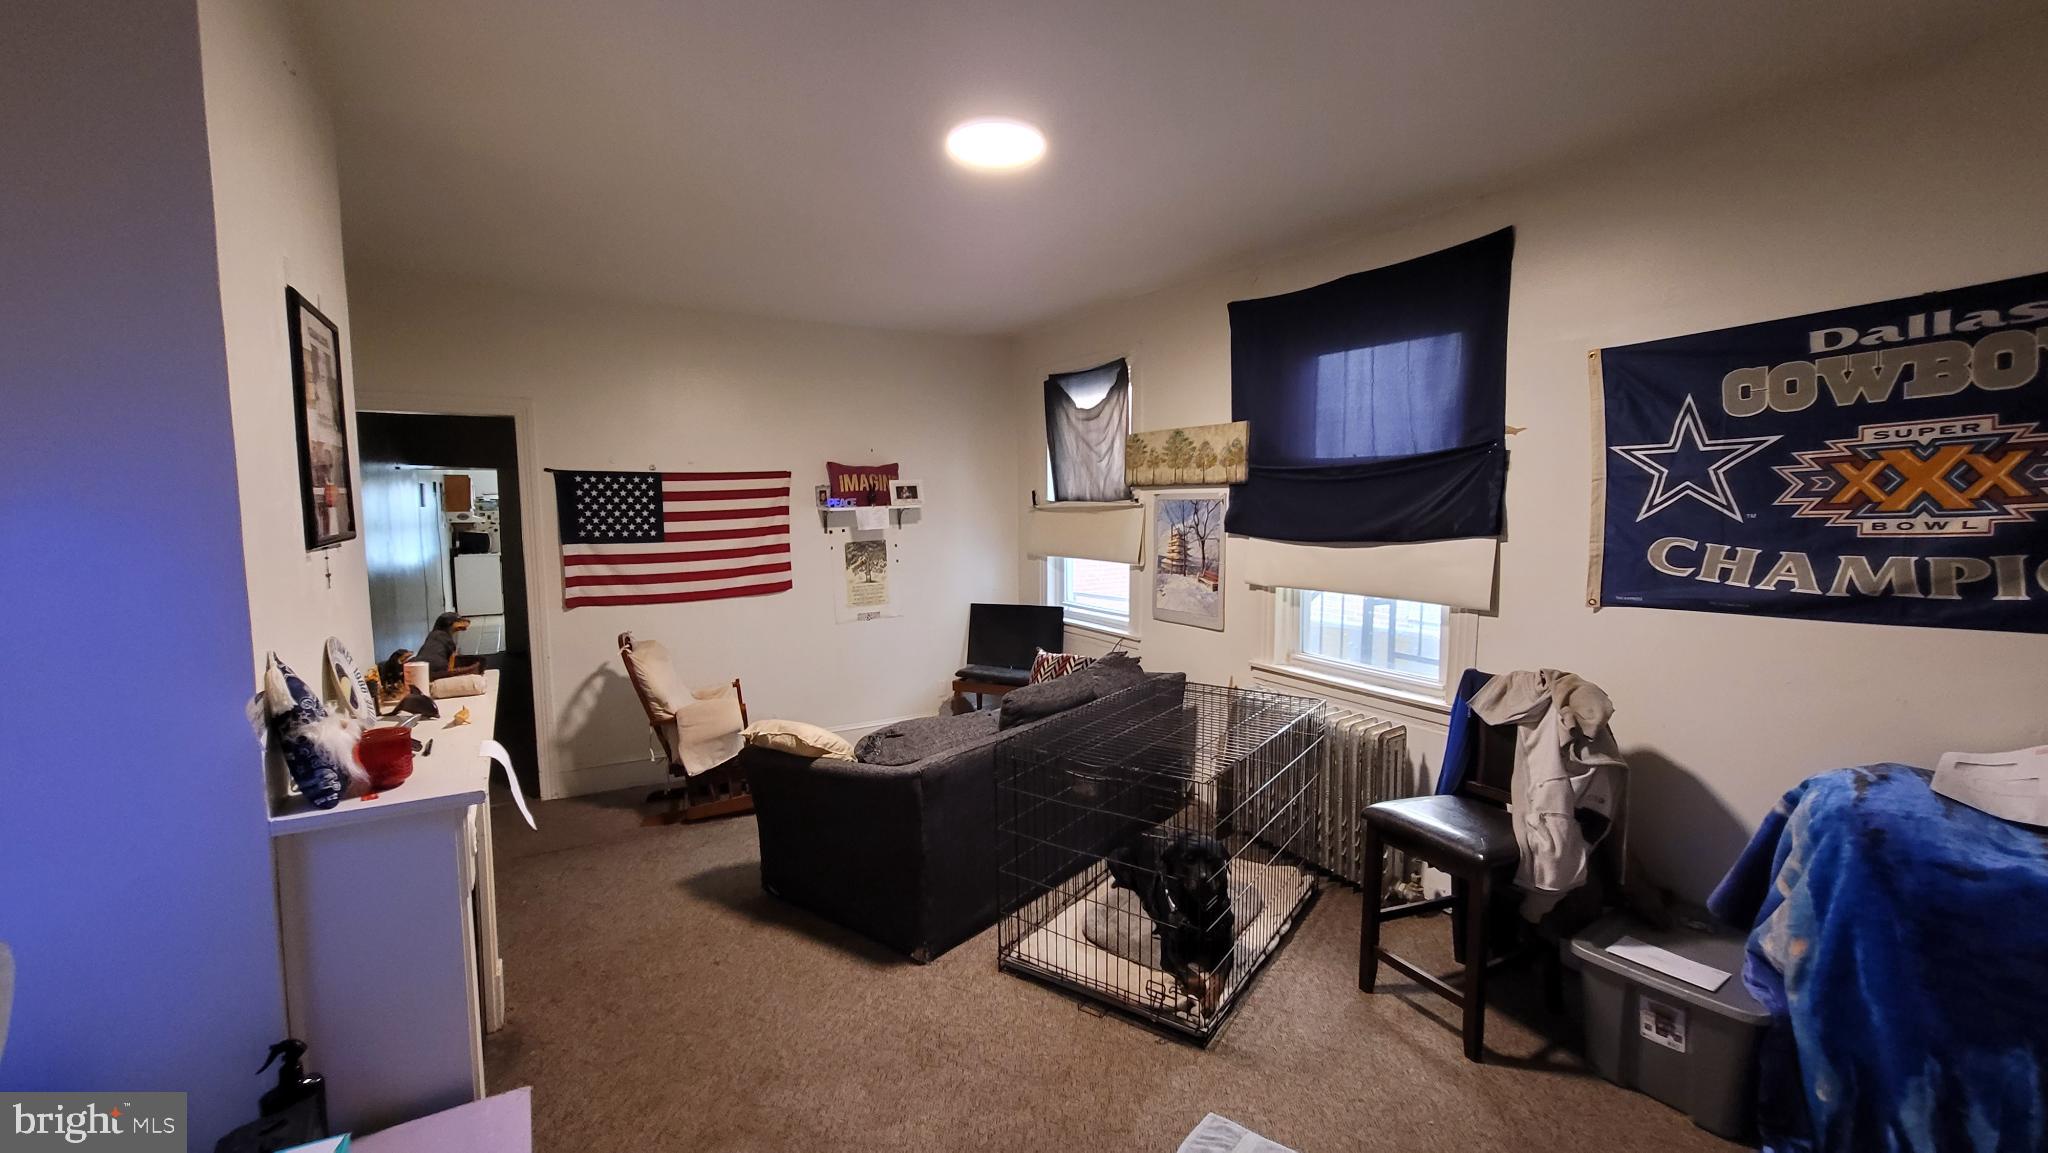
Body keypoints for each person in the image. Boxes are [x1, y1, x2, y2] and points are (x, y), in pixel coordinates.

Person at [415, 612, 485, 680]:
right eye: (459, 620)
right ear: (448, 623)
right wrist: (450, 673)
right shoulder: (445, 638)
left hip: (418, 665)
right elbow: (452, 658)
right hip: (438, 666)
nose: (466, 621)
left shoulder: (432, 635)